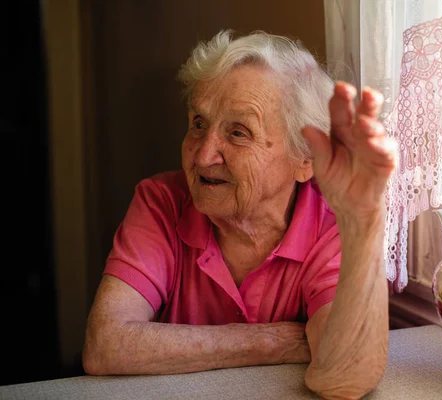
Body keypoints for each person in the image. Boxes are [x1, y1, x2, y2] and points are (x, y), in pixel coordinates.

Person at [82, 30, 397, 400]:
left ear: (305, 161)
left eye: (237, 133)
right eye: (198, 124)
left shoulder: (331, 227)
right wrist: (272, 340)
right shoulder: (161, 202)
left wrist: (365, 223)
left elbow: (344, 381)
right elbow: (106, 345)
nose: (202, 157)